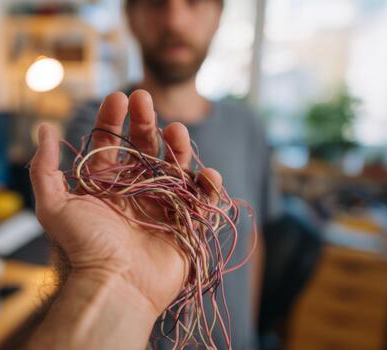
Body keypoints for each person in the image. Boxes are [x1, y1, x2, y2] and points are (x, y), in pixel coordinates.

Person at [59, 0, 279, 348]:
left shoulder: (247, 126)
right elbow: (72, 258)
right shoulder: (98, 129)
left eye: (193, 2)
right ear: (131, 16)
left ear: (218, 15)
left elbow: (254, 242)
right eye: (156, 3)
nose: (174, 20)